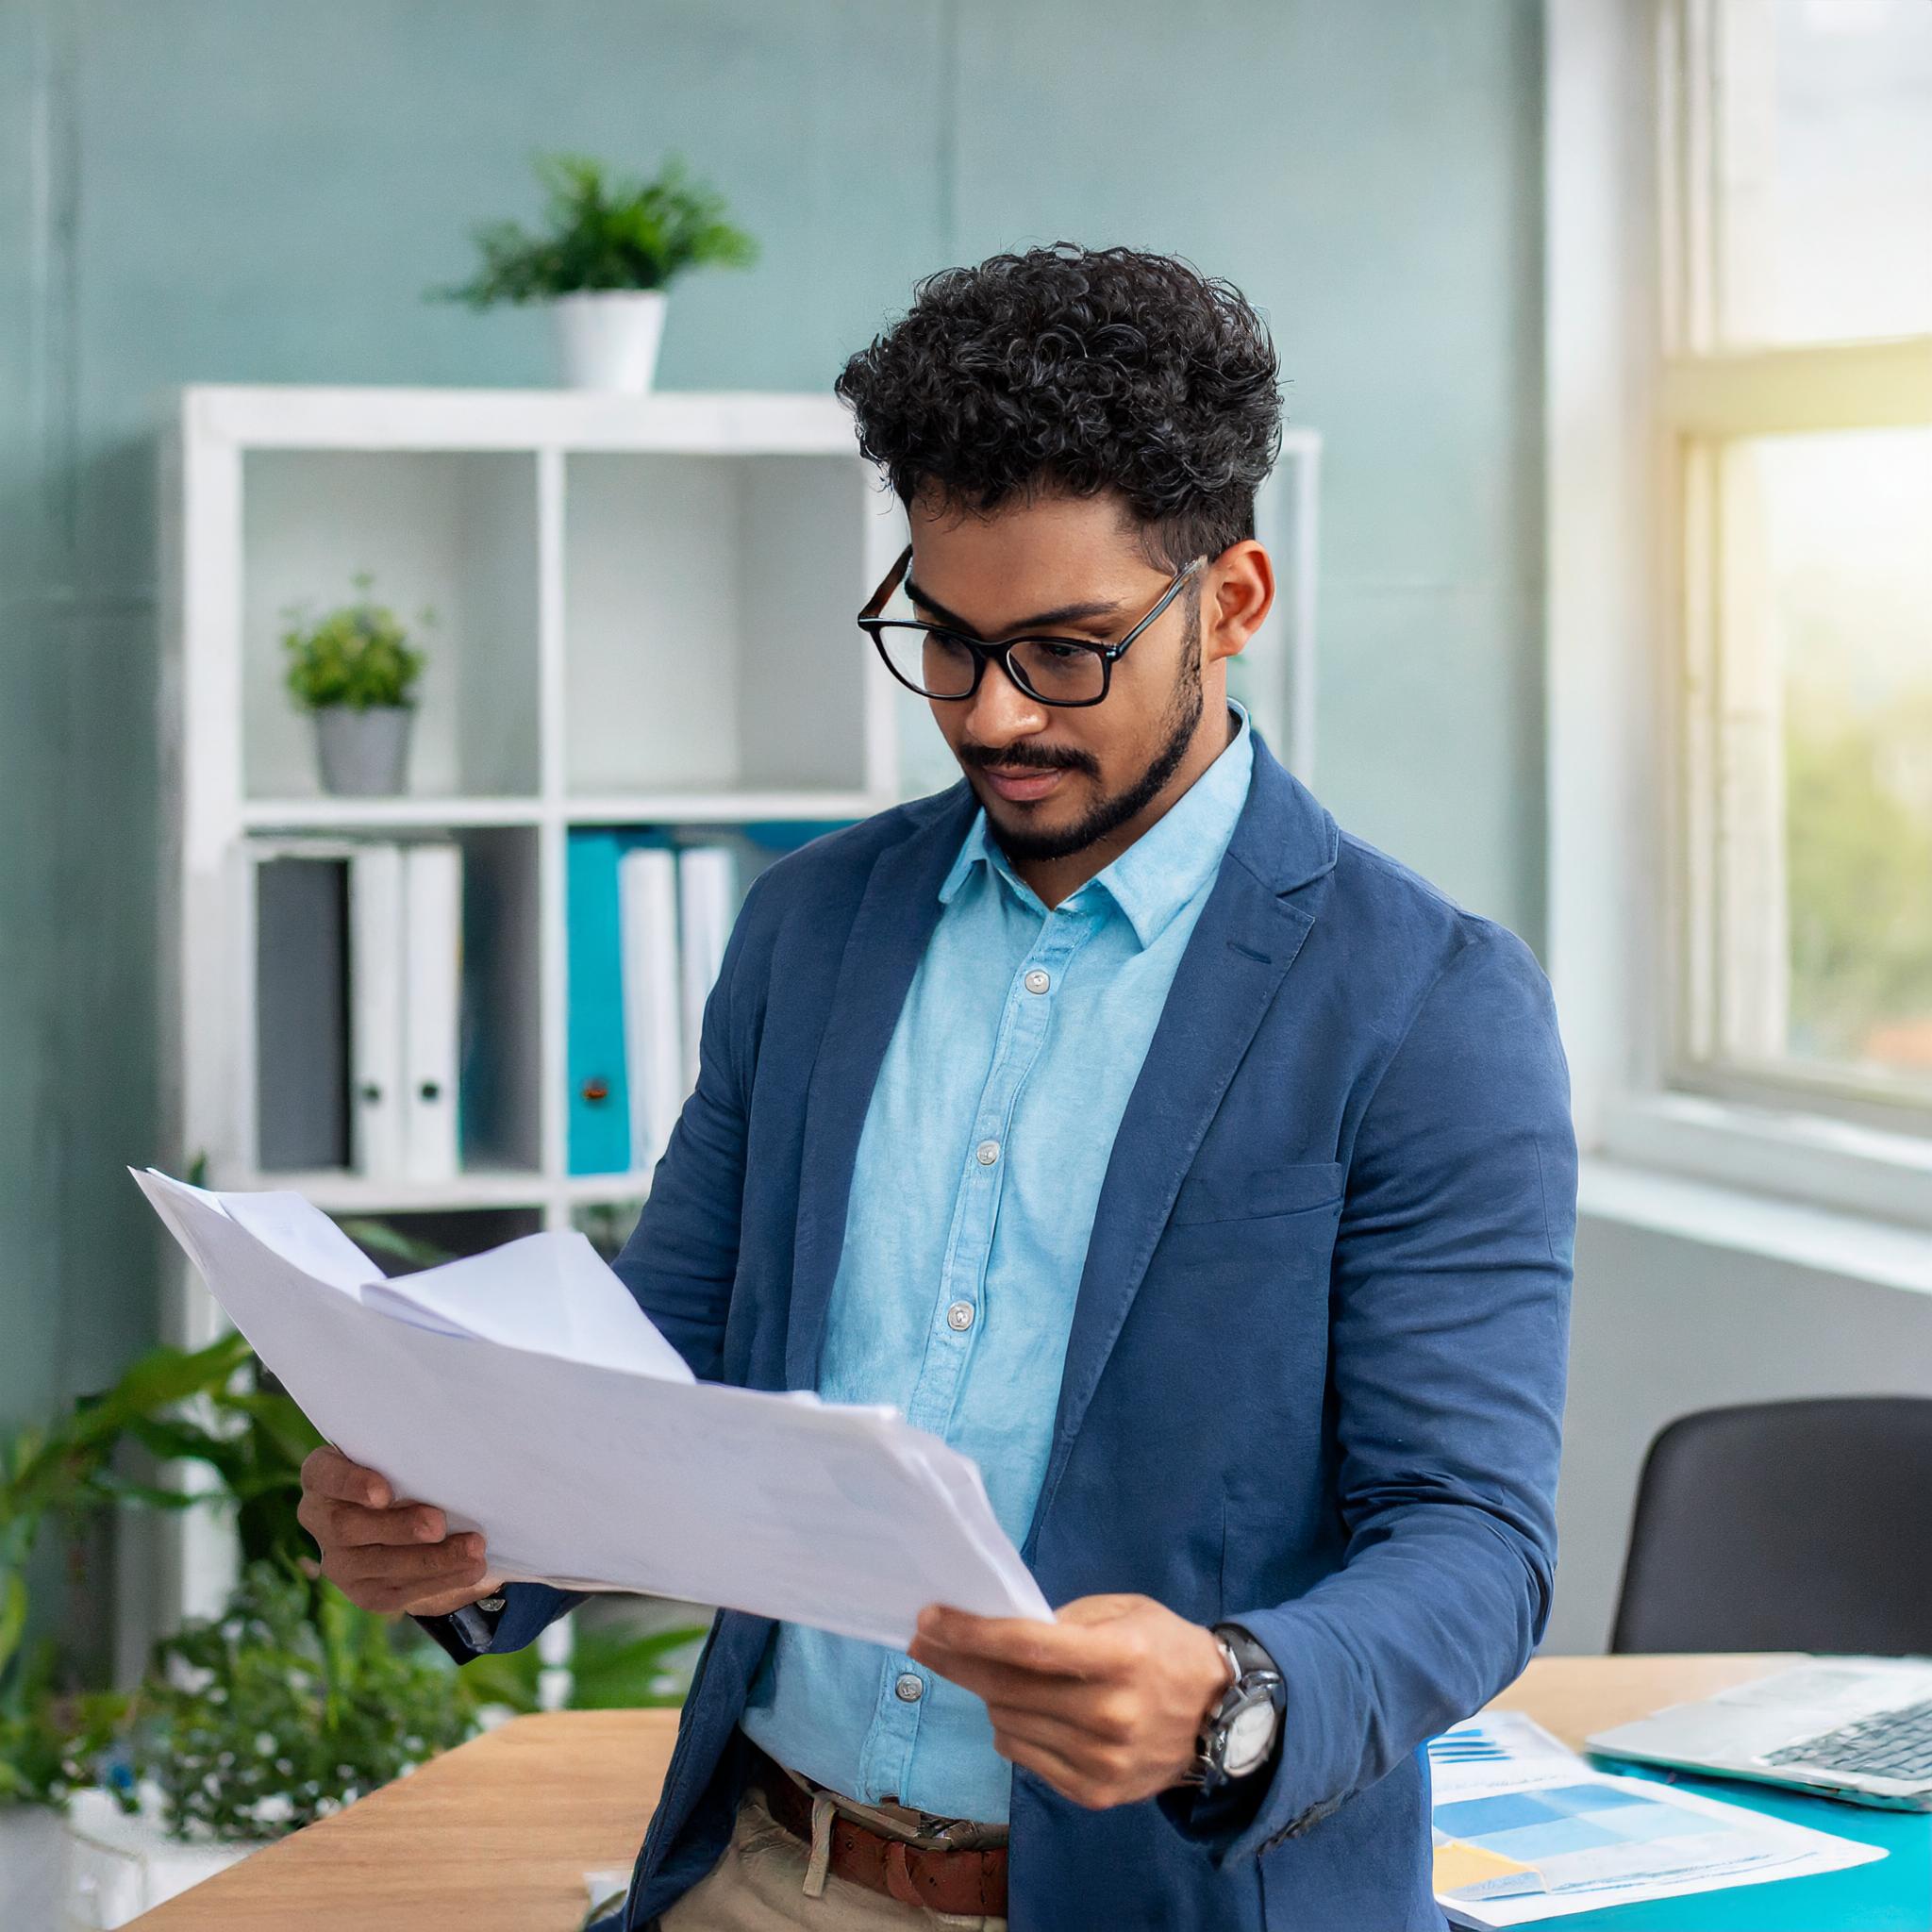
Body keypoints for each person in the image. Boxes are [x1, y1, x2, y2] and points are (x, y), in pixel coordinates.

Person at [298, 242, 1576, 1932]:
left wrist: (1236, 1691)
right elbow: (662, 1378)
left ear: (1235, 601)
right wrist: (467, 1525)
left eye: (1065, 650)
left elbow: (1476, 1542)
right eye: (945, 638)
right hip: (765, 1864)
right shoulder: (813, 929)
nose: (990, 713)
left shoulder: (1430, 1005)